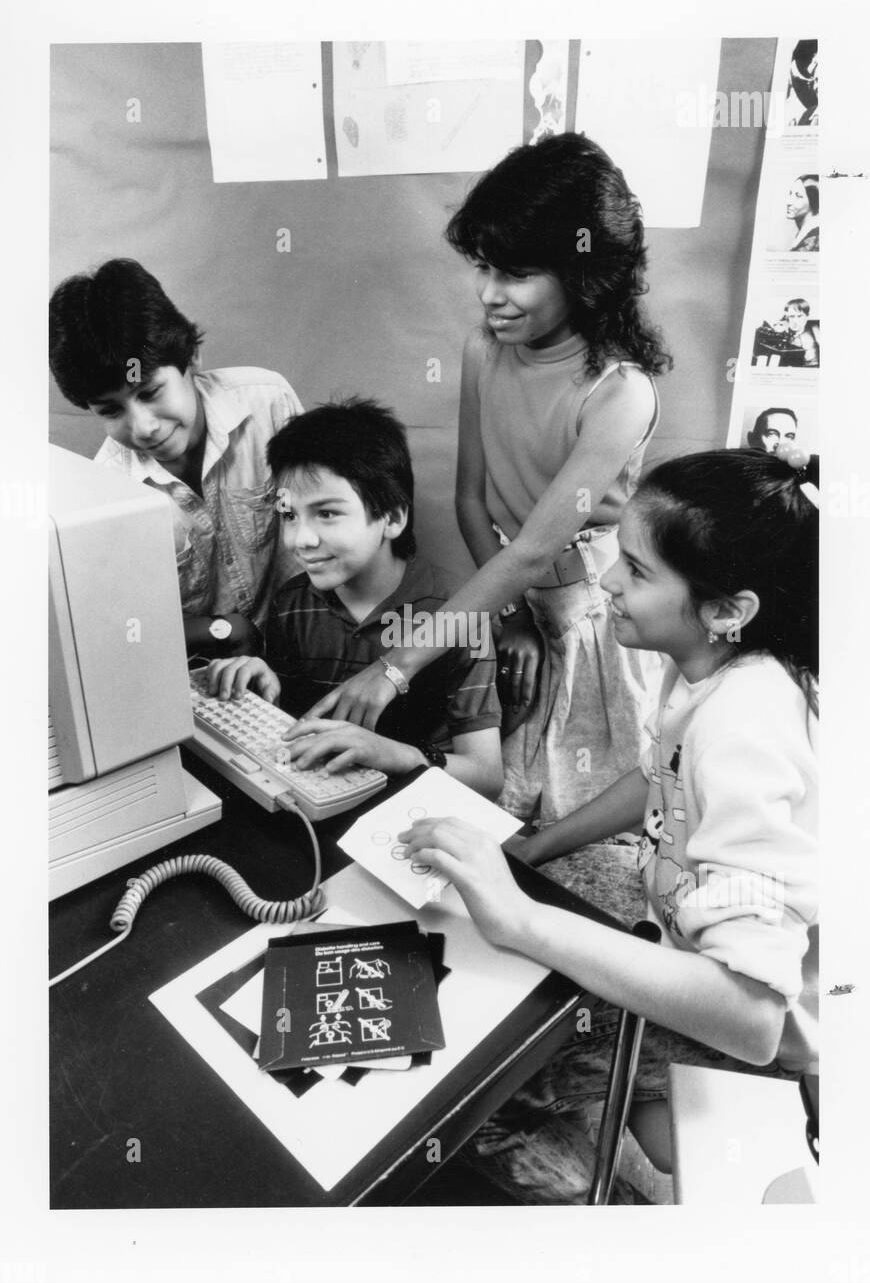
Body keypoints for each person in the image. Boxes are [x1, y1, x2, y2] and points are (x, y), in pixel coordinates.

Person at [399, 446, 818, 1203]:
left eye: (638, 570)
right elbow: (660, 772)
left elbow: (752, 1015)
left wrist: (522, 919)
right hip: (690, 944)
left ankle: (626, 1233)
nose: (607, 581)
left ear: (729, 609)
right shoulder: (707, 664)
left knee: (471, 1099)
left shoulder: (747, 725)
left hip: (765, 1036)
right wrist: (535, 845)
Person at [303, 135, 672, 825]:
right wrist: (510, 618)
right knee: (504, 801)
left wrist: (393, 668)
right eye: (483, 268)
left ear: (585, 273)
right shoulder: (483, 346)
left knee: (585, 811)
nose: (489, 294)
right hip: (508, 595)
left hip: (592, 616)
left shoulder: (619, 392)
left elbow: (537, 551)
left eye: (517, 274)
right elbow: (470, 497)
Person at [206, 399, 503, 797]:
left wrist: (391, 753)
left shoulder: (456, 615)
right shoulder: (293, 603)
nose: (300, 540)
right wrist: (266, 688)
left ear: (393, 518)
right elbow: (299, 724)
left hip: (416, 810)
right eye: (289, 515)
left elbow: (487, 776)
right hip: (324, 803)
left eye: (327, 514)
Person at [49, 258, 303, 655]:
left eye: (149, 392)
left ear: (192, 358)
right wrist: (223, 631)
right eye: (111, 411)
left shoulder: (268, 403)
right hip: (202, 680)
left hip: (303, 651)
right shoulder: (106, 494)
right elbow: (122, 627)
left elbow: (317, 528)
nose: (143, 426)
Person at [785, 175, 819, 253]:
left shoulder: (814, 240)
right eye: (790, 194)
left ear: (813, 201)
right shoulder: (807, 234)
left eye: (798, 196)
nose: (788, 202)